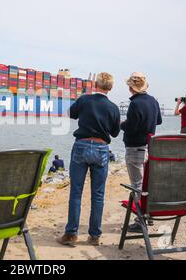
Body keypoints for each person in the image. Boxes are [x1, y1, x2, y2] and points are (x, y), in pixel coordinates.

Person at [57, 72, 120, 247]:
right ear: (111, 88)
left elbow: (70, 113)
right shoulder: (114, 108)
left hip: (82, 146)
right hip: (101, 149)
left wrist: (82, 100)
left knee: (76, 192)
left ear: (95, 85)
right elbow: (114, 133)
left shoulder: (84, 100)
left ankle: (71, 235)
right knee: (98, 195)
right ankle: (94, 236)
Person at [120, 72, 162, 233]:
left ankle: (141, 220)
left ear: (131, 88)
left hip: (134, 147)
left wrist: (121, 124)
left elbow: (131, 126)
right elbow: (159, 121)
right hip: (148, 147)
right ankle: (148, 214)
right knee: (146, 183)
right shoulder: (153, 101)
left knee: (137, 185)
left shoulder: (135, 104)